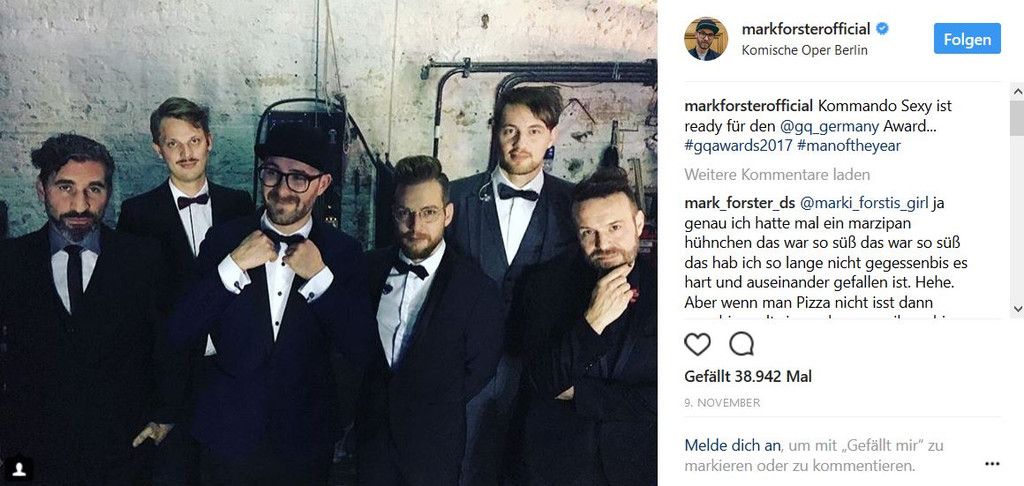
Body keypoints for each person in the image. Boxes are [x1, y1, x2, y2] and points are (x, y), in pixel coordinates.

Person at [165, 124, 377, 485]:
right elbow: (180, 330)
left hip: (305, 440)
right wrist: (232, 265)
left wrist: (320, 278)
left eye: (299, 178)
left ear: (323, 184)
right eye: (272, 173)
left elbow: (361, 349)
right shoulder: (224, 239)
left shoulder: (345, 252)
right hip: (227, 435)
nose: (281, 189)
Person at [0, 134, 177, 485]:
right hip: (31, 451)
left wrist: (166, 415)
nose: (80, 205)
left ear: (108, 192)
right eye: (65, 187)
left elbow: (169, 342)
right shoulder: (10, 262)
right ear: (42, 189)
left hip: (124, 450)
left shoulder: (143, 258)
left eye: (94, 189)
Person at [117, 96, 253, 485]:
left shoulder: (239, 204)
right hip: (169, 380)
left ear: (209, 141)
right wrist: (155, 401)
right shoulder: (137, 213)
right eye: (173, 143)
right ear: (157, 149)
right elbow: (136, 311)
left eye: (193, 141)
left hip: (230, 375)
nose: (186, 153)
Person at [448, 85, 576, 486]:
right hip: (465, 369)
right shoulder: (455, 198)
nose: (520, 144)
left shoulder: (573, 204)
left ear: (552, 135)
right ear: (496, 132)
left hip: (540, 371)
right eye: (510, 131)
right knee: (461, 468)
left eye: (534, 131)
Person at [356, 155, 504, 485]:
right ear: (393, 213)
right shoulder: (367, 269)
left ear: (447, 214)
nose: (415, 226)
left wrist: (427, 406)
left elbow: (480, 370)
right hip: (372, 445)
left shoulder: (477, 289)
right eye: (405, 213)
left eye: (428, 213)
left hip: (433, 449)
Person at [512, 166, 656, 486]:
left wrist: (582, 394)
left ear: (638, 223)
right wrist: (593, 322)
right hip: (555, 469)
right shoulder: (543, 286)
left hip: (639, 467)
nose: (603, 244)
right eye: (588, 232)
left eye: (615, 227)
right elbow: (542, 381)